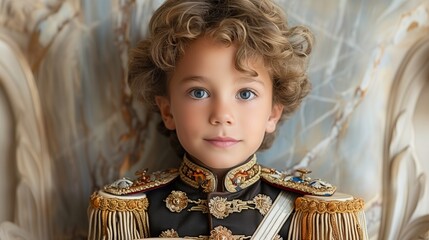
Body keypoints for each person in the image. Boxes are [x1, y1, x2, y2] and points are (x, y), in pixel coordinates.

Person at [88, 0, 368, 239]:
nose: (222, 115)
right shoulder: (128, 212)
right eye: (199, 92)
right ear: (168, 111)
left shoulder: (315, 215)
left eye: (245, 93)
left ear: (273, 112)